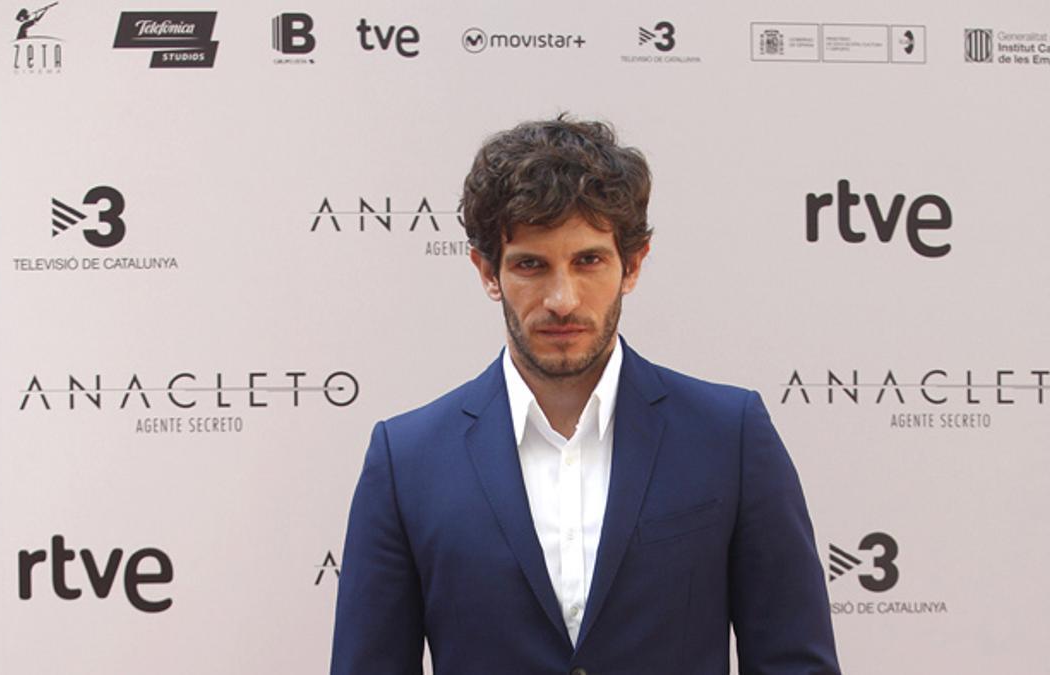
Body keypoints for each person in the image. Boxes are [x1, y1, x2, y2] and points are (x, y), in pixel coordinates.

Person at [332, 115, 840, 674]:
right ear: (487, 271)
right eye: (531, 265)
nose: (562, 299)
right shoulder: (407, 461)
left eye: (588, 261)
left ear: (634, 263)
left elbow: (796, 664)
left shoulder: (730, 436)